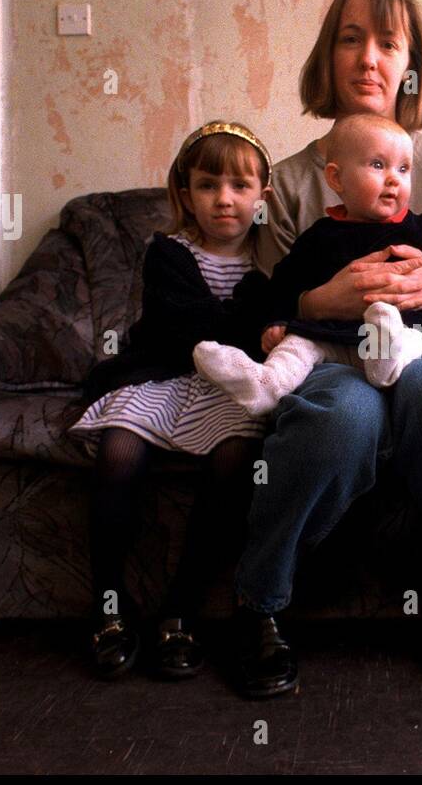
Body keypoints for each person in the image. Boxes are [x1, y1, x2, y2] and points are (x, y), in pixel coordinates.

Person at [228, 0, 422, 699]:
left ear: (411, 64)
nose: (368, 59)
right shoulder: (285, 182)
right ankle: (263, 606)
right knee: (344, 413)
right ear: (328, 54)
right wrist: (322, 297)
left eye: (389, 43)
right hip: (326, 355)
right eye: (350, 38)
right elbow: (261, 303)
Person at [68, 121, 274, 681]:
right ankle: (108, 605)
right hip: (163, 373)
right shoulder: (168, 253)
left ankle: (179, 611)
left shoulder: (271, 266)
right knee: (118, 451)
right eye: (208, 185)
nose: (224, 200)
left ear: (264, 197)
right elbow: (188, 327)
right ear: (185, 193)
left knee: (238, 458)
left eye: (239, 186)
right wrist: (243, 327)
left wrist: (248, 329)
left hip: (227, 389)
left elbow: (258, 334)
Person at [193, 114, 422, 414]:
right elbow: (286, 280)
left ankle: (387, 360)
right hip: (332, 338)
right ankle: (266, 384)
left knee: (417, 339)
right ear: (336, 178)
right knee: (297, 345)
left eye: (404, 168)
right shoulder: (319, 236)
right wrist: (278, 320)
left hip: (405, 328)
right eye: (378, 165)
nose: (394, 178)